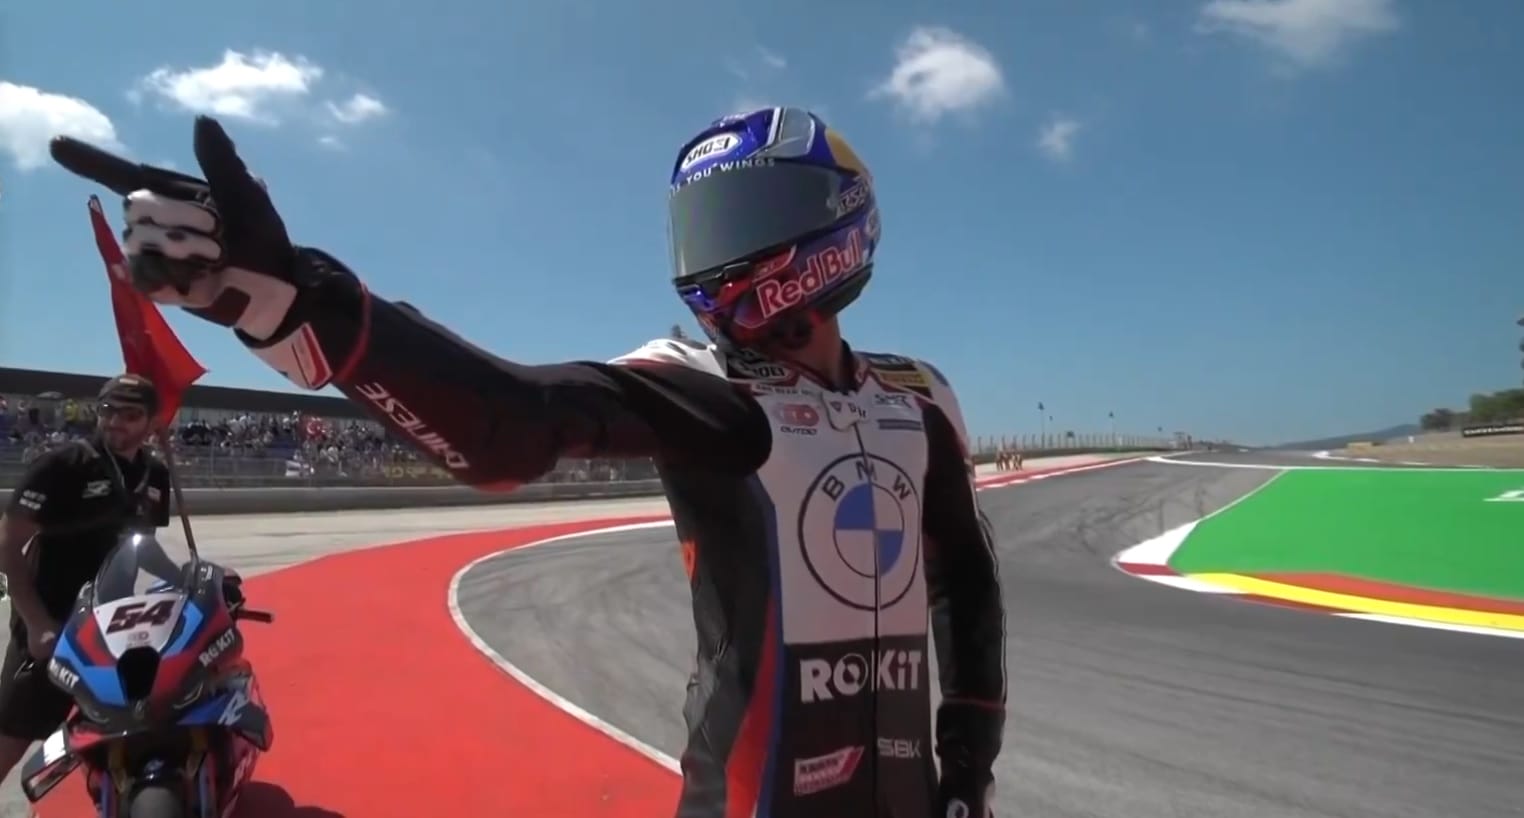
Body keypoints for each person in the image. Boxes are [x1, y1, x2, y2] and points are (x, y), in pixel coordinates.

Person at [50, 108, 1008, 817]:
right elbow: (512, 422)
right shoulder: (701, 385)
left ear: (841, 218)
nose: (727, 249)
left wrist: (967, 768)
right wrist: (290, 301)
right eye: (710, 225)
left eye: (754, 213)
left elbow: (965, 582)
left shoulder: (919, 396)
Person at [0, 374, 172, 782]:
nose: (115, 422)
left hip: (115, 623)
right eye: (108, 410)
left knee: (114, 734)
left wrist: (192, 577)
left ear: (152, 423)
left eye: (130, 414)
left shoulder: (155, 474)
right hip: (53, 625)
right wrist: (38, 623)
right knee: (14, 733)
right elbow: (6, 545)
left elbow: (143, 547)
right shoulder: (62, 466)